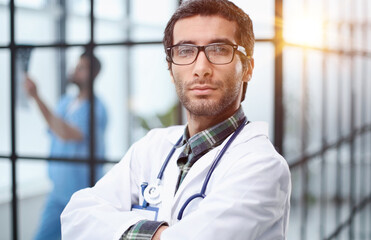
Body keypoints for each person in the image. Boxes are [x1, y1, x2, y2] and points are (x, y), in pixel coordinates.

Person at [61, 0, 291, 239]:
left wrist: (123, 227)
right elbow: (77, 215)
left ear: (248, 68)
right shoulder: (151, 146)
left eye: (219, 49)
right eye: (185, 51)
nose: (201, 68)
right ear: (171, 70)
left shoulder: (263, 166)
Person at [24, 51, 108, 240]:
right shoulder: (65, 102)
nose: (75, 71)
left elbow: (65, 133)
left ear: (94, 74)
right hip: (57, 192)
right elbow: (54, 127)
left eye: (81, 68)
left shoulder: (97, 109)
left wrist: (37, 97)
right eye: (76, 66)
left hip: (81, 194)